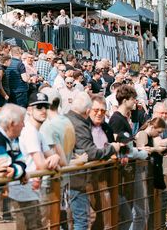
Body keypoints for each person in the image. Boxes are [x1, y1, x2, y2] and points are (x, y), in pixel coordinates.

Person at [66, 92, 122, 230]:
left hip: (103, 178)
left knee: (106, 216)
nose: (99, 113)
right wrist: (111, 150)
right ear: (88, 110)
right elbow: (89, 152)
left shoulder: (107, 128)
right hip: (83, 179)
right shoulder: (82, 126)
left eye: (103, 111)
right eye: (96, 110)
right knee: (83, 218)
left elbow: (113, 147)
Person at [10, 91, 63, 229]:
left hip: (29, 191)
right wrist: (55, 158)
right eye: (38, 107)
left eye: (45, 107)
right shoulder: (29, 131)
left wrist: (55, 158)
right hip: (23, 192)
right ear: (29, 110)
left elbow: (52, 157)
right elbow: (42, 164)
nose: (43, 110)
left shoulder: (37, 132)